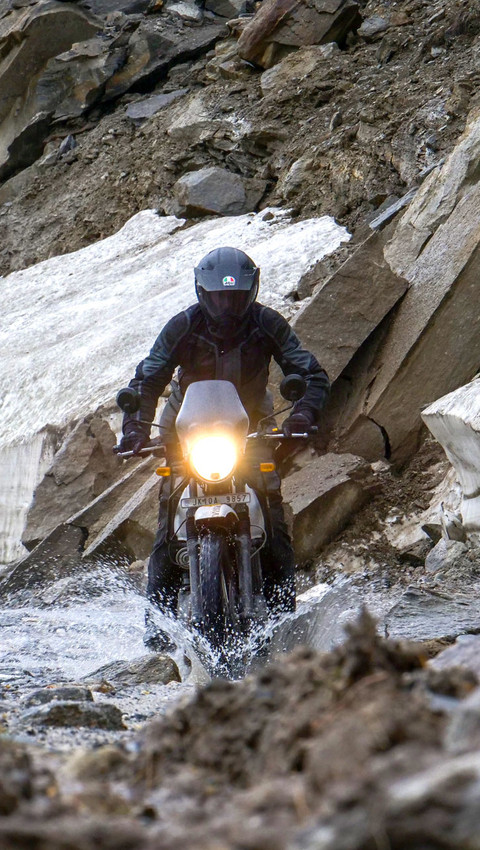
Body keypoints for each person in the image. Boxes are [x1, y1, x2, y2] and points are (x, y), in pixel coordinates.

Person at [119, 246, 330, 650]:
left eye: (234, 296)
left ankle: (283, 621)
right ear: (202, 292)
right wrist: (134, 428)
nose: (226, 305)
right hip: (185, 430)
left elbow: (309, 372)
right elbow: (148, 378)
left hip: (251, 429)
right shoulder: (182, 326)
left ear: (251, 290)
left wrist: (302, 415)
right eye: (217, 297)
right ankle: (158, 633)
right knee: (167, 527)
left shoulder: (267, 323)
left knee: (273, 521)